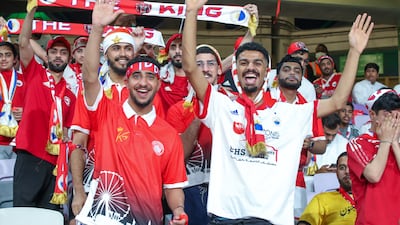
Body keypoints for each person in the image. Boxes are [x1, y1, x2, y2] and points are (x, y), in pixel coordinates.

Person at [182, 0, 373, 223]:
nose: (250, 67)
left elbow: (338, 100)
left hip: (271, 220)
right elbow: (190, 67)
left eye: (257, 63)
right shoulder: (222, 105)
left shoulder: (292, 112)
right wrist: (192, 12)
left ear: (266, 73)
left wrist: (354, 51)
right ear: (236, 71)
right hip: (225, 218)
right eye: (243, 62)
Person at [75, 1, 188, 225]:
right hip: (103, 218)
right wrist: (97, 27)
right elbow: (89, 78)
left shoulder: (168, 134)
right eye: (136, 77)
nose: (143, 83)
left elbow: (173, 187)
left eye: (150, 78)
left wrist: (178, 210)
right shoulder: (107, 110)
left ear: (158, 84)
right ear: (127, 82)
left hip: (149, 219)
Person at [14, 5, 76, 210]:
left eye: (63, 53)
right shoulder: (35, 73)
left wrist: (67, 136)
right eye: (54, 52)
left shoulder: (70, 94)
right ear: (46, 56)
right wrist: (31, 11)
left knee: (49, 216)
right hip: (30, 154)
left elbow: (68, 129)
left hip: (55, 164)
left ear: (69, 58)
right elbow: (23, 42)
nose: (58, 56)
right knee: (23, 212)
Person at [347, 89, 400, 224]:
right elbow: (373, 175)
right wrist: (386, 141)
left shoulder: (397, 145)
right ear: (372, 115)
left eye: (397, 116)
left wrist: (394, 142)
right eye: (387, 116)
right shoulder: (358, 143)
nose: (393, 122)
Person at [297, 152, 356, 225]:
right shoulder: (322, 199)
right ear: (336, 172)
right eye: (342, 168)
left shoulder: (371, 197)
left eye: (352, 167)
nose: (347, 171)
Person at [0, 41, 26, 159]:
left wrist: (25, 112)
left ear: (15, 59)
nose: (3, 59)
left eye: (8, 55)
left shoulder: (25, 80)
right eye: (0, 55)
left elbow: (35, 106)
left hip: (18, 142)